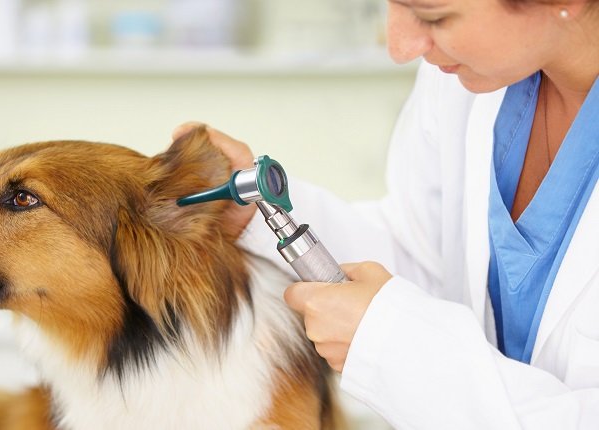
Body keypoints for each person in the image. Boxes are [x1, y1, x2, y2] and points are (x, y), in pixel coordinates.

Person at [173, 0, 599, 427]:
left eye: (435, 16)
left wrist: (397, 352)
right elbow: (424, 258)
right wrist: (257, 218)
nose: (400, 46)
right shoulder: (462, 81)